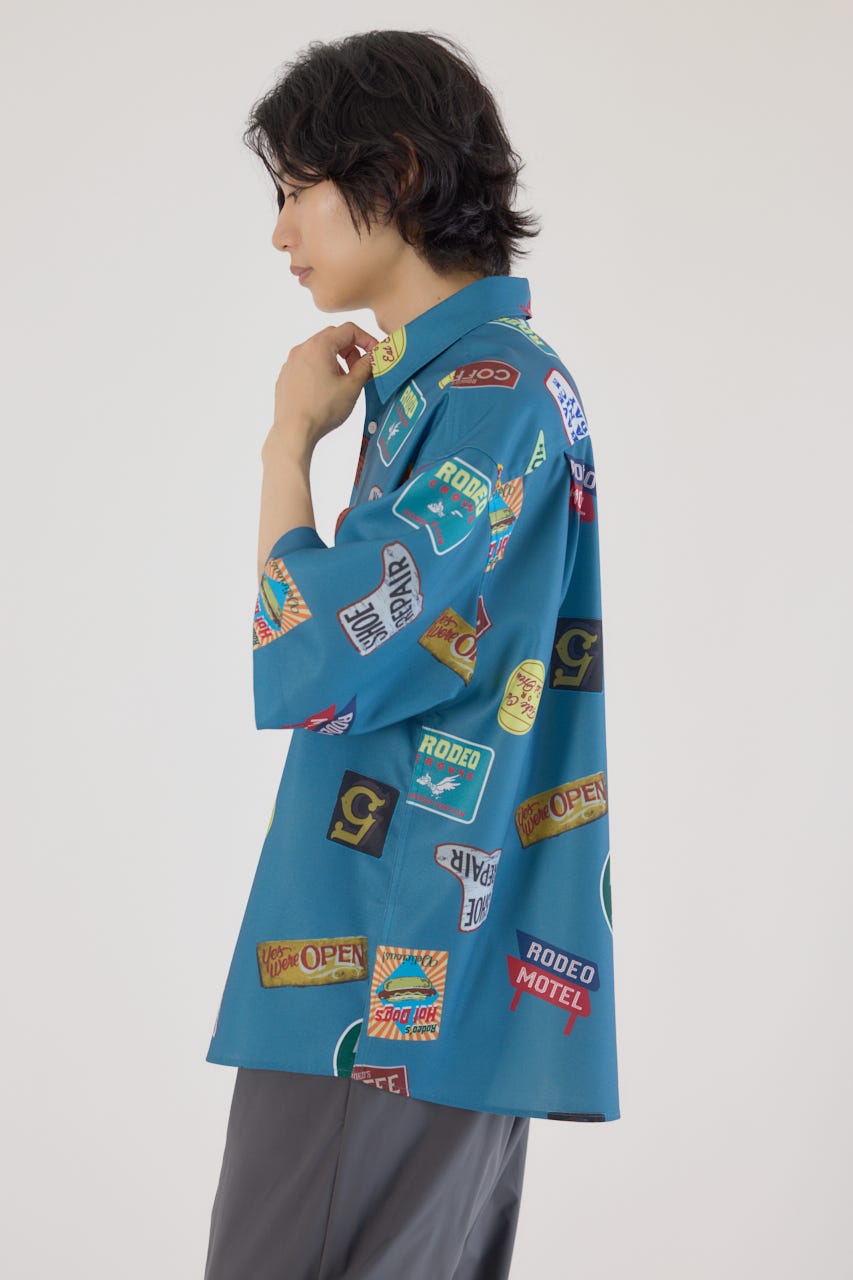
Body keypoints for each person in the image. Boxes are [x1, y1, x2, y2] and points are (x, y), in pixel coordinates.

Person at [204, 28, 620, 1280]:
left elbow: (319, 654)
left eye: (297, 190)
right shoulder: (465, 389)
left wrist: (286, 446)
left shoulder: (491, 391)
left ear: (390, 170)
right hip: (440, 969)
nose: (281, 233)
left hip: (386, 970)